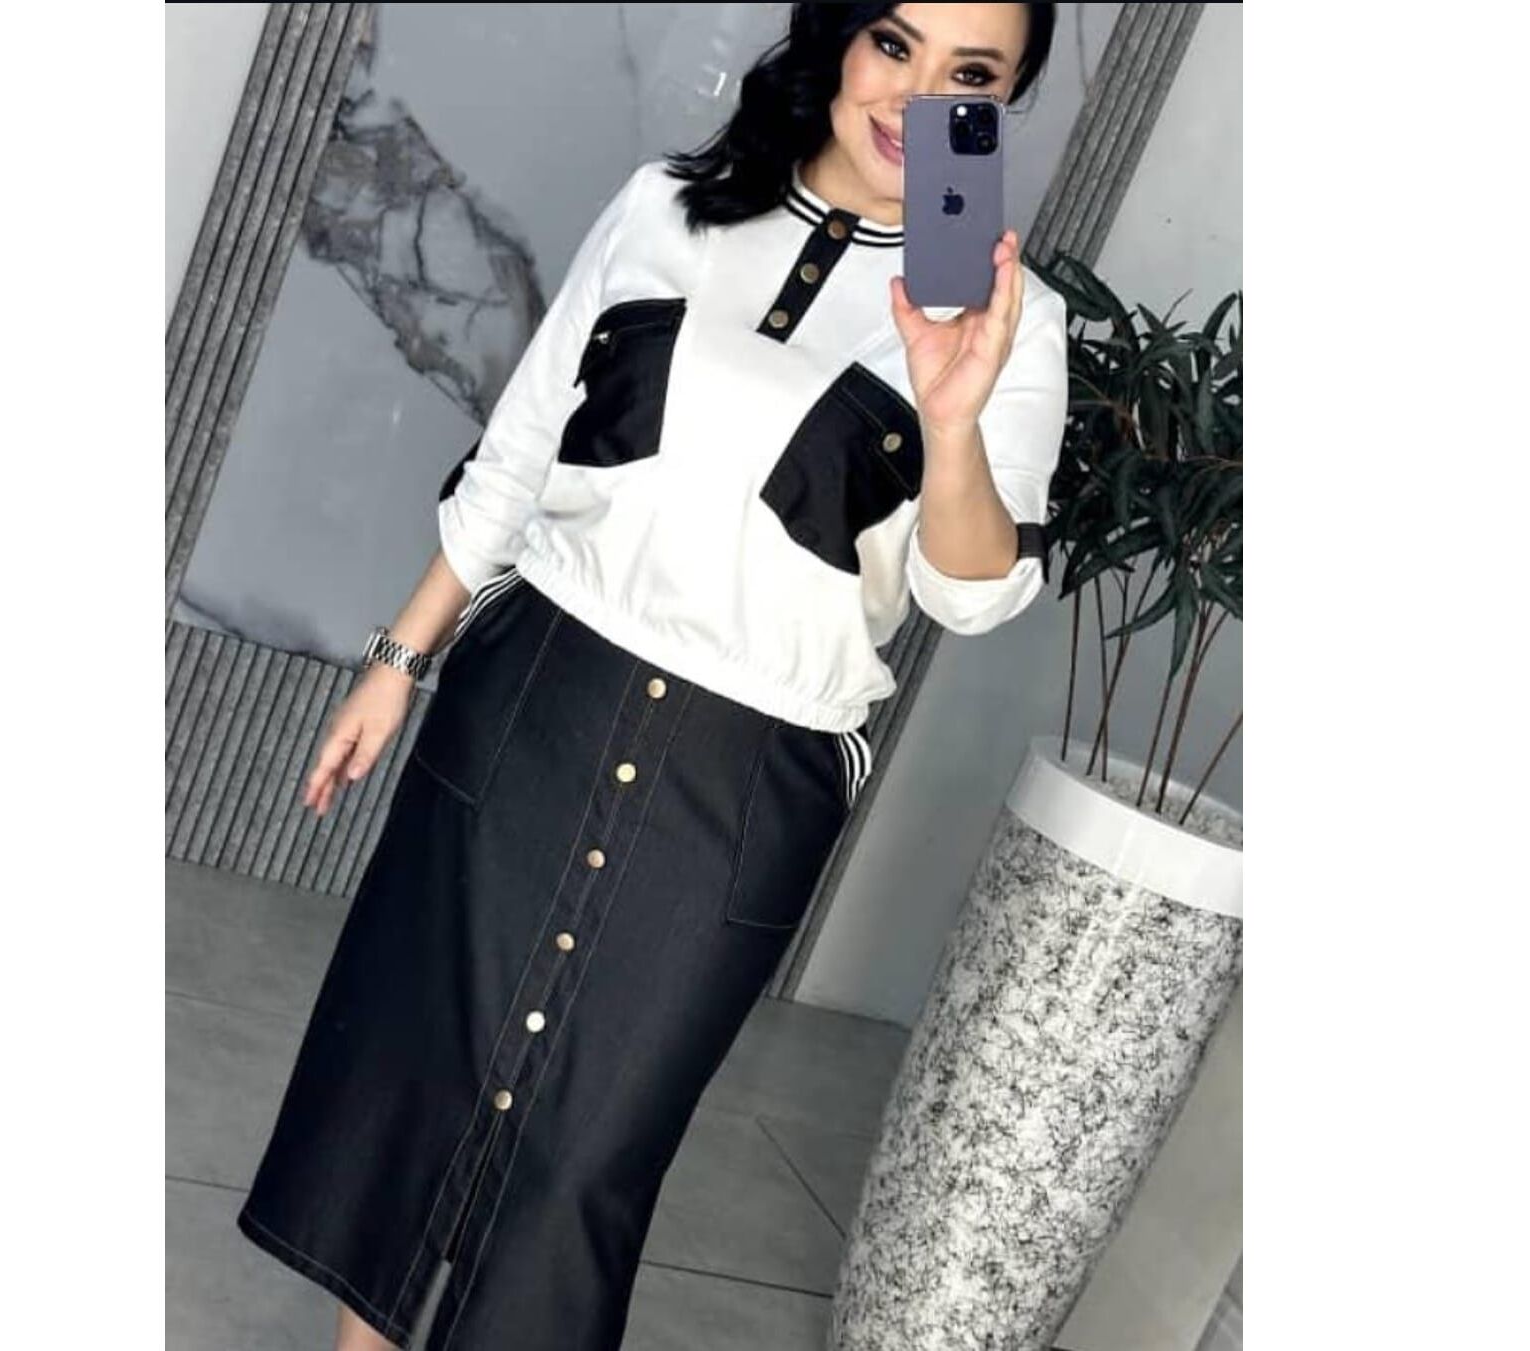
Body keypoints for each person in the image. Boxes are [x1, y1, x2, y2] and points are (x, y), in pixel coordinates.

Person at [235, 4, 1064, 1348]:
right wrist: (398, 658)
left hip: (744, 784)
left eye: (968, 75)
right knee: (416, 1076)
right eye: (894, 44)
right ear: (839, 38)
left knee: (583, 1162)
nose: (917, 100)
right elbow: (519, 450)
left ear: (1003, 104)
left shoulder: (1014, 323)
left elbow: (972, 594)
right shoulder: (668, 208)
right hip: (535, 702)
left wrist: (952, 423)